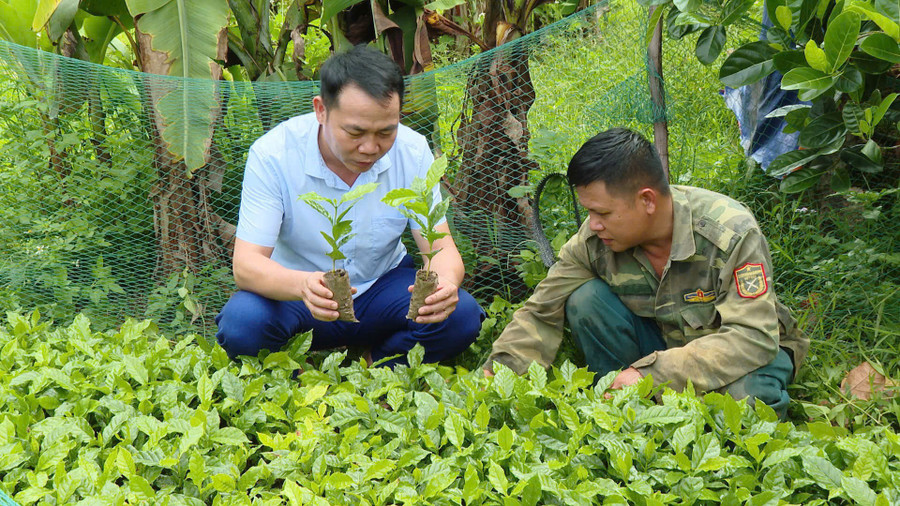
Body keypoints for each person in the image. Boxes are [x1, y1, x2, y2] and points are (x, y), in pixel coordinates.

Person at [484, 128, 808, 417]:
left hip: (739, 350)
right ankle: (622, 411)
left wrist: (647, 376)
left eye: (603, 212)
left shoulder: (730, 233)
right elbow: (541, 311)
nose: (593, 224)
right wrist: (496, 377)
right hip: (659, 345)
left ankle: (646, 399)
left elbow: (753, 338)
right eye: (589, 212)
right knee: (584, 300)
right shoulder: (594, 238)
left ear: (647, 201)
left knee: (743, 402)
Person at [216, 45, 483, 366]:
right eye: (354, 132)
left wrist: (445, 287)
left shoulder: (412, 151)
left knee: (461, 316)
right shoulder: (274, 154)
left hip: (383, 288)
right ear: (321, 110)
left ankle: (376, 365)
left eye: (387, 131)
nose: (371, 147)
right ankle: (301, 381)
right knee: (242, 324)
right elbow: (246, 265)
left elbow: (440, 249)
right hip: (299, 296)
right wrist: (302, 285)